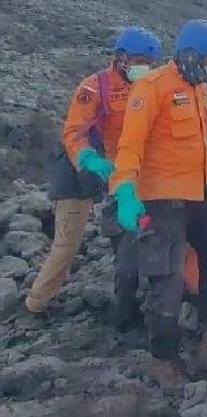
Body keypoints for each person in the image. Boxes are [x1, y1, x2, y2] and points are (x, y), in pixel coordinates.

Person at [109, 19, 207, 386]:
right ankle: (163, 357)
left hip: (197, 193)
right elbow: (131, 144)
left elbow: (199, 144)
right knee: (166, 277)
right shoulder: (151, 87)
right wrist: (124, 189)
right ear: (189, 56)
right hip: (160, 196)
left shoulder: (200, 88)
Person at [26, 26, 161, 324]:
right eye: (139, 60)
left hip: (122, 171)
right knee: (67, 243)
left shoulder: (147, 86)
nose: (144, 68)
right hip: (82, 171)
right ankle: (35, 304)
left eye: (149, 63)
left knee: (133, 233)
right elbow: (74, 131)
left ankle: (128, 296)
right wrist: (88, 159)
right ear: (122, 57)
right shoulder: (93, 87)